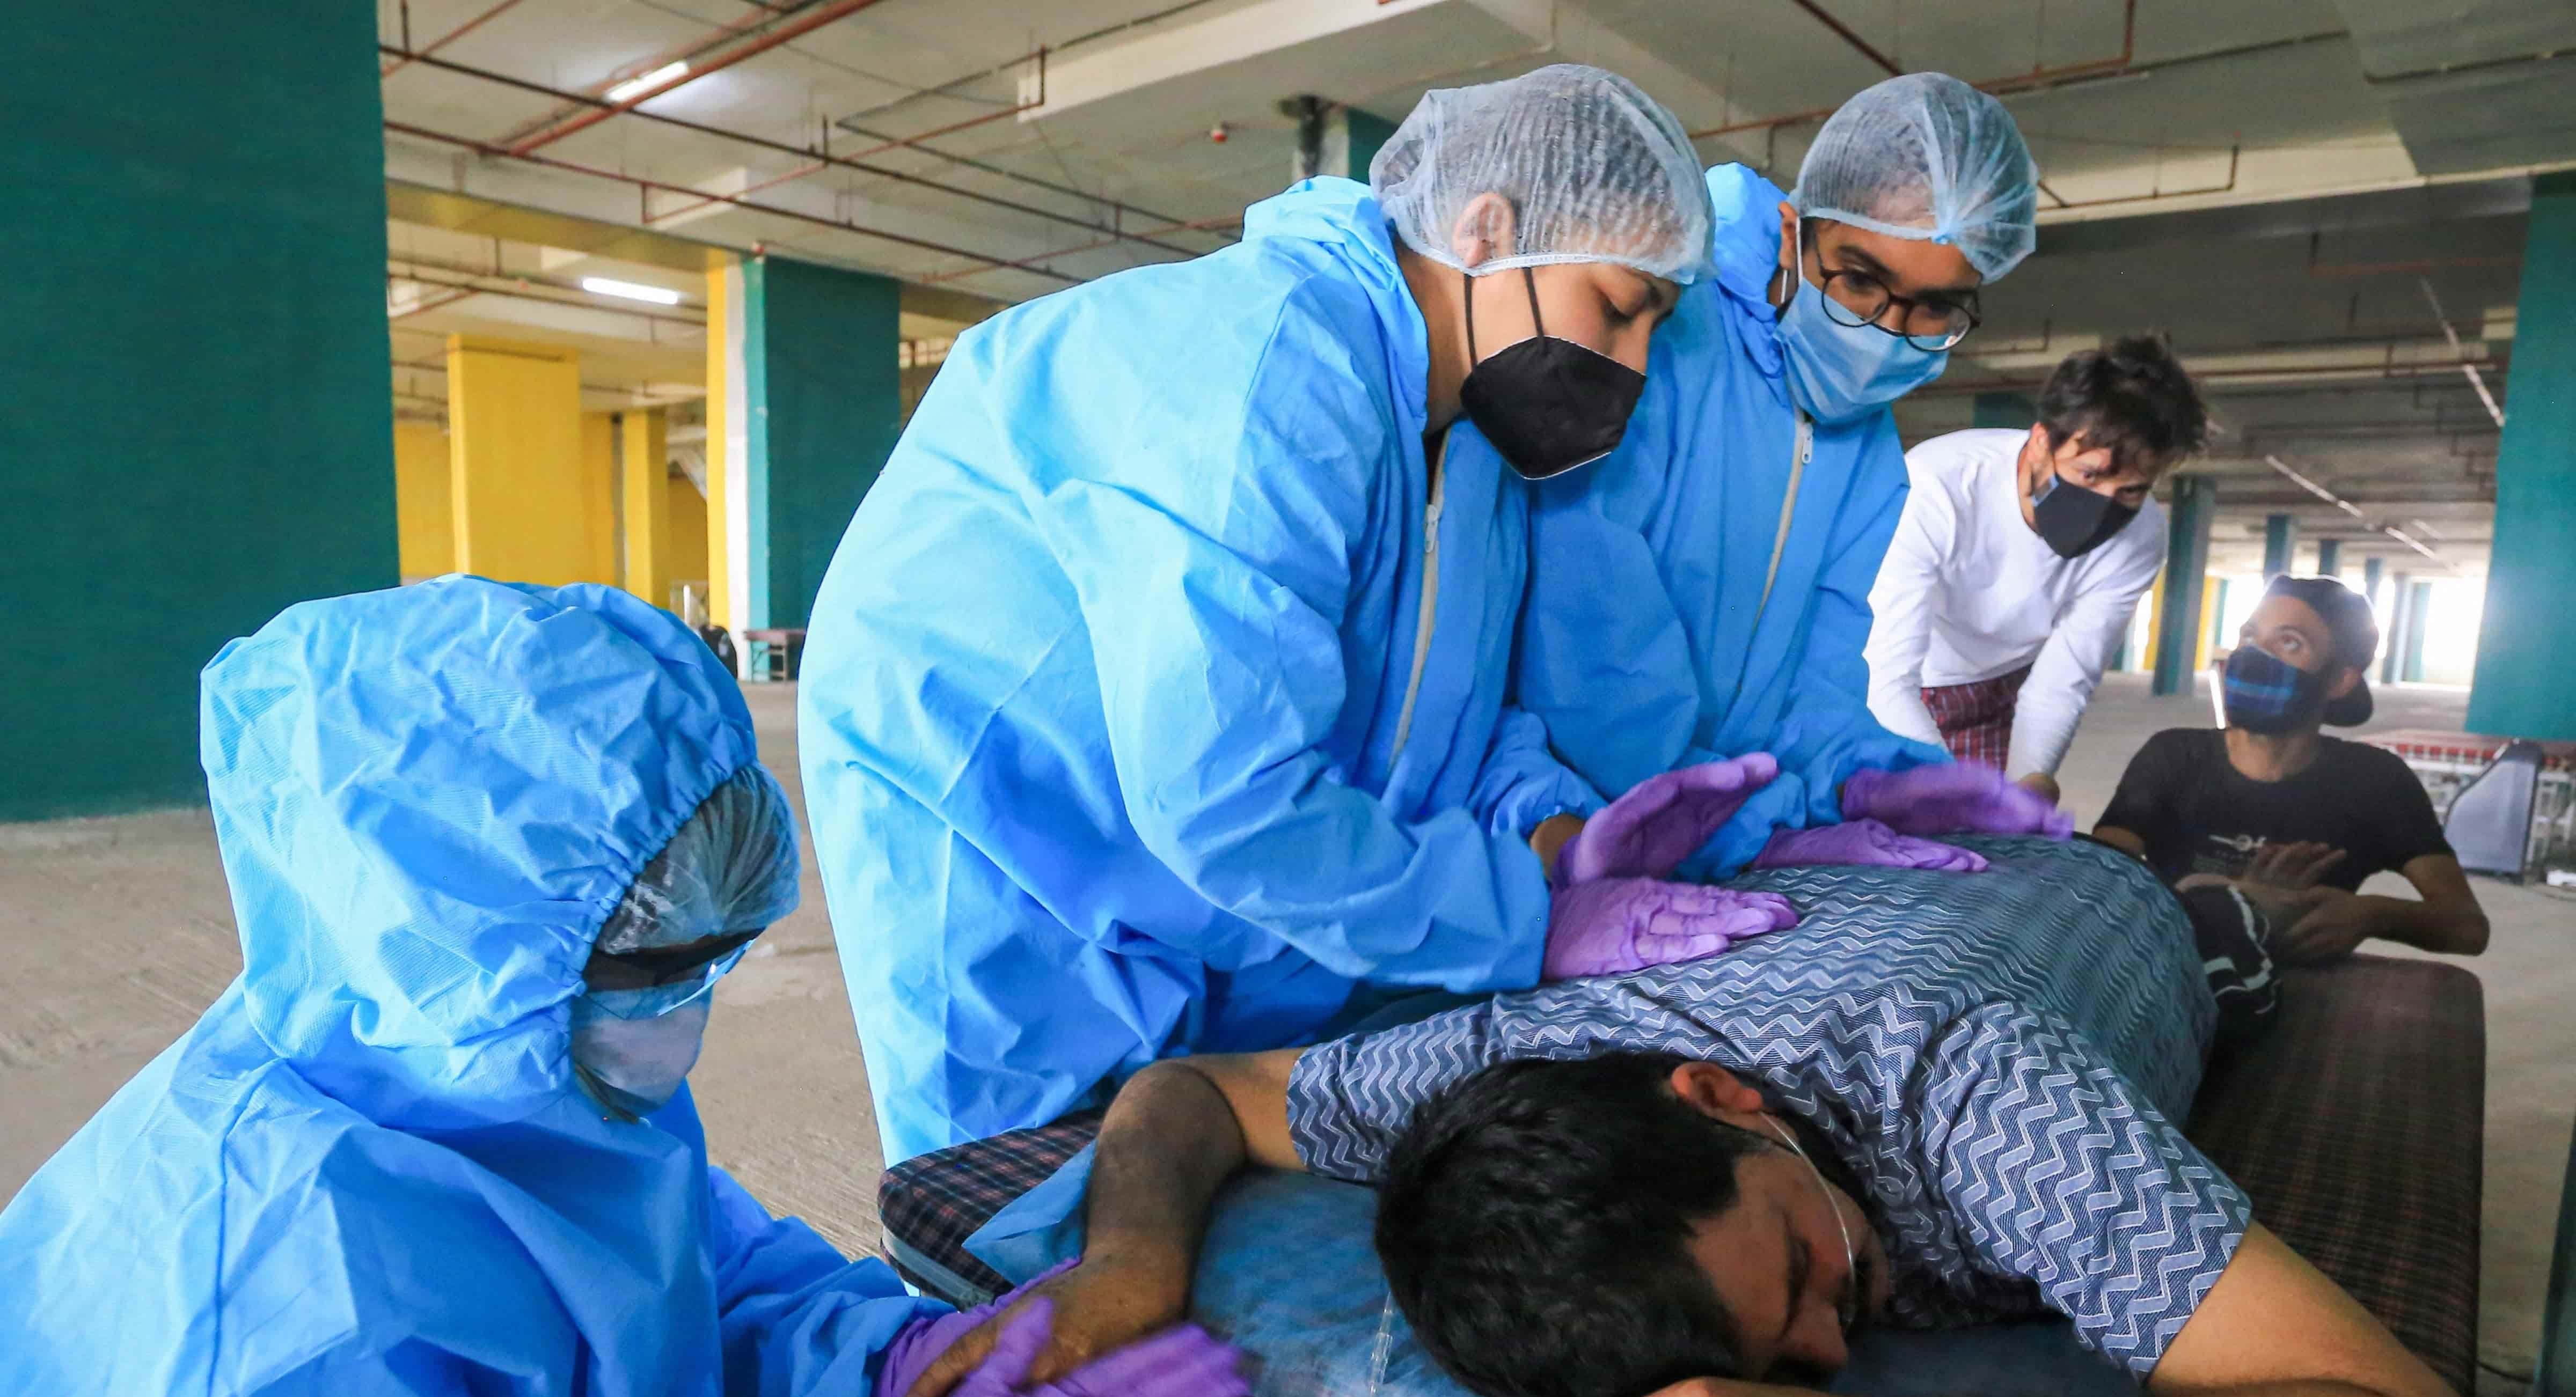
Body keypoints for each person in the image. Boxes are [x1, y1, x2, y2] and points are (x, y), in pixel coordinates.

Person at [0, 577, 1252, 1397]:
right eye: (655, 965)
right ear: (469, 941)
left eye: (711, 960)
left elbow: (677, 1288)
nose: (681, 1012)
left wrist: (879, 1362)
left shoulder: (474, 1065)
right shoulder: (279, 1357)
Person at [902, 835, 2541, 1397]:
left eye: (1807, 1272)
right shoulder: (1500, 1067)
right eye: (1799, 1359)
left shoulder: (1990, 1107)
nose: (1846, 1335)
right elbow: (1190, 1093)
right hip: (1869, 905)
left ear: (1723, 1098)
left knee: (2230, 918)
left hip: (2078, 918)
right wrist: (1128, 1267)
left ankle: (2239, 900)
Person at [803, 65, 1816, 1166]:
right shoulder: (1269, 361)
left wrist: (1557, 833)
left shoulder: (1466, 439)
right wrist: (1524, 920)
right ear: (1486, 228)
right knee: (1031, 1229)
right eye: (1618, 308)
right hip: (1015, 836)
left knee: (1228, 1157)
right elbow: (1228, 793)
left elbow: (1438, 714)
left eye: (1654, 329)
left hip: (1214, 871)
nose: (1628, 365)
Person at [1518, 71, 2069, 881]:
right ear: (1791, 233)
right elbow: (1588, 635)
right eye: (1859, 279)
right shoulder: (1664, 334)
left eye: (1933, 308)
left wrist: (1866, 774)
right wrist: (1745, 818)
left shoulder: (1869, 448)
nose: (1886, 331)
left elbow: (1818, 676)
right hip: (1557, 821)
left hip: (1708, 829)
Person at [1863, 335, 2210, 801]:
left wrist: (2030, 783)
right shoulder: (1936, 485)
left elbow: (2060, 685)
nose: (2106, 504)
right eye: (2089, 475)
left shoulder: (2141, 538)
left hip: (1999, 690)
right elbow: (1885, 678)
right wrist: (1950, 792)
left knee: (1988, 852)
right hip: (1895, 682)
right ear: (2042, 442)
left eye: (2131, 490)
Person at [2093, 573, 2490, 962]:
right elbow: (2095, 883)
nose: (2253, 654)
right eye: (2249, 637)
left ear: (2338, 680)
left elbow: (2468, 927)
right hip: (2168, 977)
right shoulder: (2173, 756)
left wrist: (2372, 914)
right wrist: (2236, 900)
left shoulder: (2375, 783)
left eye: (2289, 642)